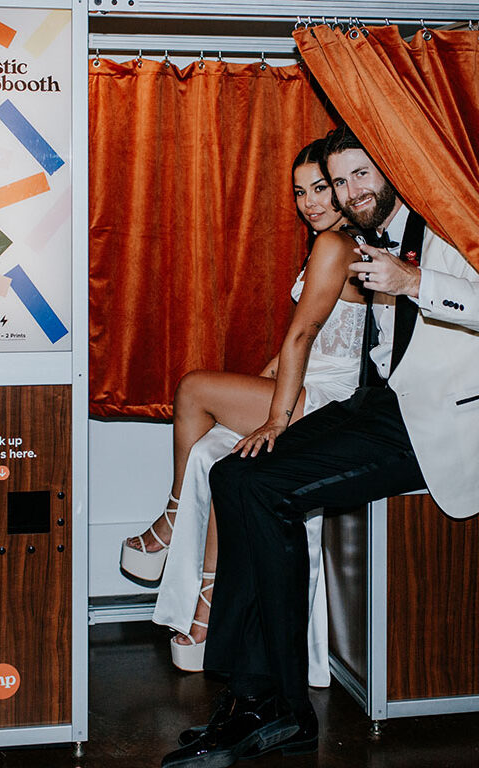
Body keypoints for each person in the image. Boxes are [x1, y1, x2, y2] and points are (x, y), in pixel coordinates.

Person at [160, 125, 479, 768]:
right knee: (235, 473)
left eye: (360, 175)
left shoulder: (448, 219)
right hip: (380, 405)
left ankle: (272, 705)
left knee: (265, 487)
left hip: (440, 423)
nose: (348, 191)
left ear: (389, 169)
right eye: (338, 181)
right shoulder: (366, 237)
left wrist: (413, 282)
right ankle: (257, 700)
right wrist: (281, 417)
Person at [120, 138, 368, 678]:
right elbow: (292, 349)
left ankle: (171, 519)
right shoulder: (330, 243)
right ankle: (206, 603)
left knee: (191, 388)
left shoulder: (337, 244)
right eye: (300, 192)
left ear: (346, 187)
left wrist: (273, 415)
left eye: (321, 188)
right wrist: (252, 393)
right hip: (304, 387)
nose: (309, 202)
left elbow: (302, 338)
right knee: (220, 454)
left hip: (327, 399)